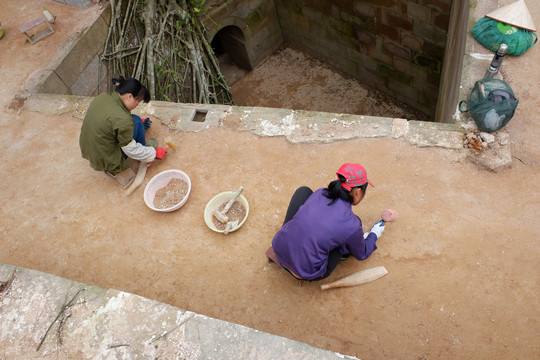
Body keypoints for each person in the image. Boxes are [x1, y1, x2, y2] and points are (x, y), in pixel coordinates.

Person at [270, 163, 385, 281]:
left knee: (303, 191)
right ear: (357, 192)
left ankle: (288, 237)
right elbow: (362, 254)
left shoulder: (320, 192)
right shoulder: (352, 223)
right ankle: (345, 251)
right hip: (306, 271)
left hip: (279, 248)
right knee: (349, 232)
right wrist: (374, 234)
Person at [79, 77, 168, 185]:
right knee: (136, 122)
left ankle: (139, 136)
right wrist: (153, 154)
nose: (137, 105)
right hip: (106, 158)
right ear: (130, 96)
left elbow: (109, 121)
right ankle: (119, 168)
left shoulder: (104, 97)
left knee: (135, 120)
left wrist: (131, 125)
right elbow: (130, 150)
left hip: (89, 149)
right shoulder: (123, 120)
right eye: (138, 101)